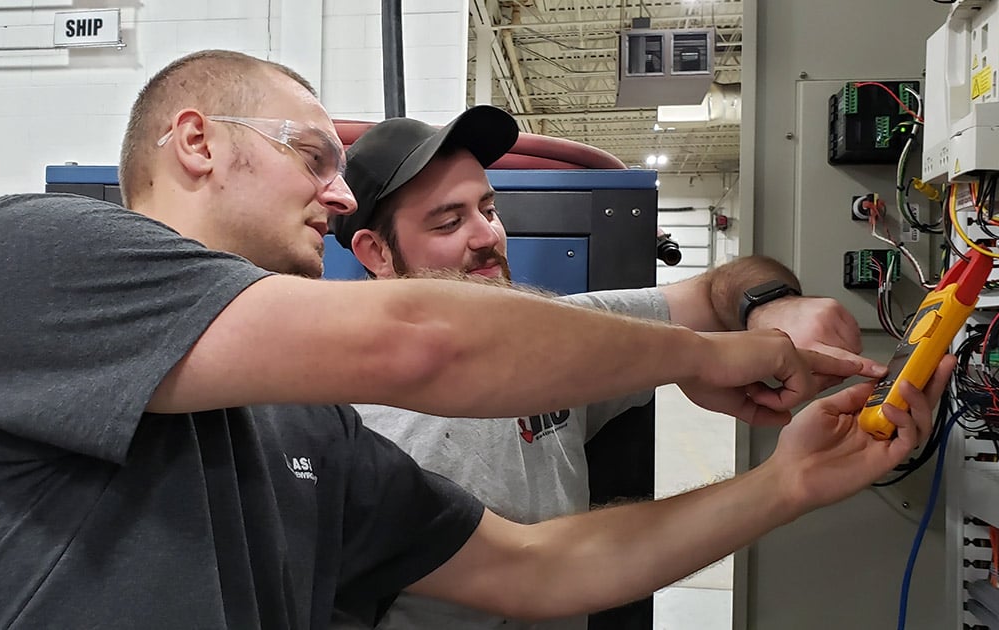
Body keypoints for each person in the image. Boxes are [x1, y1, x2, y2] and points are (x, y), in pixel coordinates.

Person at [0, 49, 941, 629]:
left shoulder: (308, 428)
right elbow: (427, 346)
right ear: (195, 142)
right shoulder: (30, 254)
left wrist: (788, 487)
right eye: (308, 153)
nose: (336, 194)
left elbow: (538, 568)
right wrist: (721, 359)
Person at [328, 106, 887, 629]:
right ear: (376, 253)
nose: (487, 236)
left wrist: (770, 303)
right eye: (449, 223)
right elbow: (536, 570)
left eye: (489, 209)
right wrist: (781, 474)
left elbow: (720, 288)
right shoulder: (358, 427)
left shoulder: (561, 329)